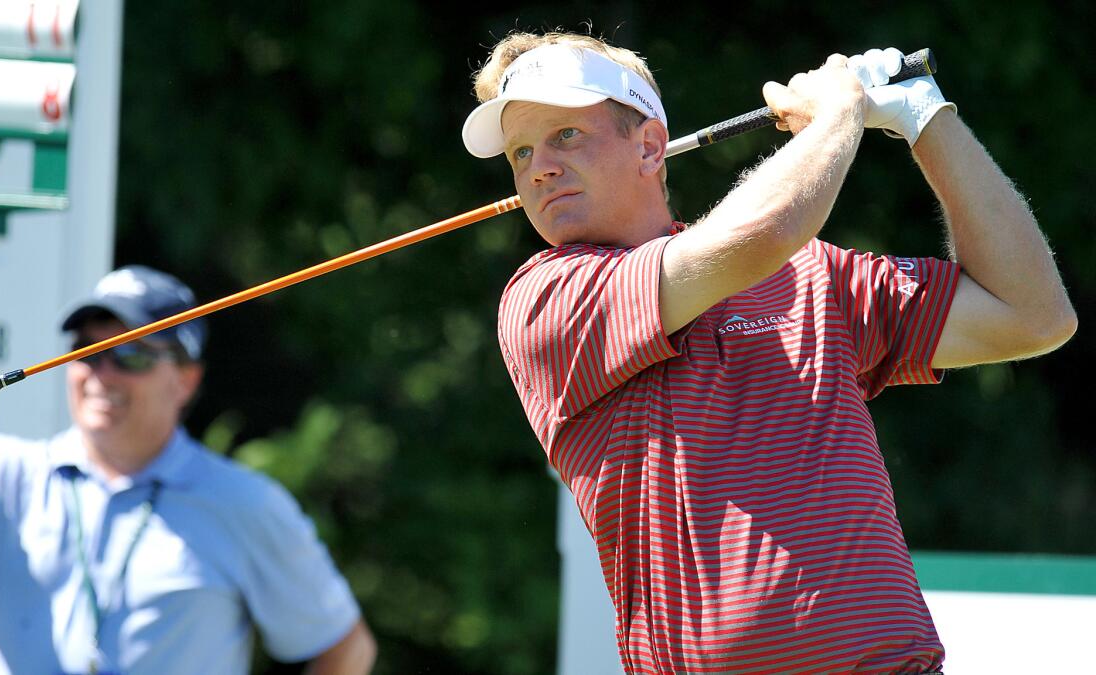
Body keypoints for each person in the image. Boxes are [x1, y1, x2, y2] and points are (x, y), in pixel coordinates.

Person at [461, 33, 1076, 673]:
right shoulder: (546, 300)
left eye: (564, 136)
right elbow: (760, 232)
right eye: (520, 152)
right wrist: (840, 111)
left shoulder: (813, 275)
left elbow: (1032, 315)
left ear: (648, 145)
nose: (538, 168)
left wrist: (925, 120)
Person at [0, 265, 377, 674]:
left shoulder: (247, 505)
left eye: (130, 355)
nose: (102, 374)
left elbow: (345, 646)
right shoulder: (7, 475)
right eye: (86, 351)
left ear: (186, 381)